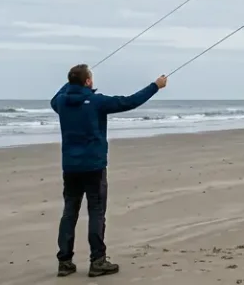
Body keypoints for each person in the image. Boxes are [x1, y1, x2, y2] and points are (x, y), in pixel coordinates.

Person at [51, 64, 168, 277]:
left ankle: (65, 261)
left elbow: (57, 96)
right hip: (93, 166)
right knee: (95, 212)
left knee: (70, 212)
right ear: (87, 81)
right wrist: (155, 86)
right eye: (90, 78)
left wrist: (72, 82)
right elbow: (129, 101)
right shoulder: (95, 101)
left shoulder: (62, 101)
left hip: (71, 167)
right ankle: (97, 260)